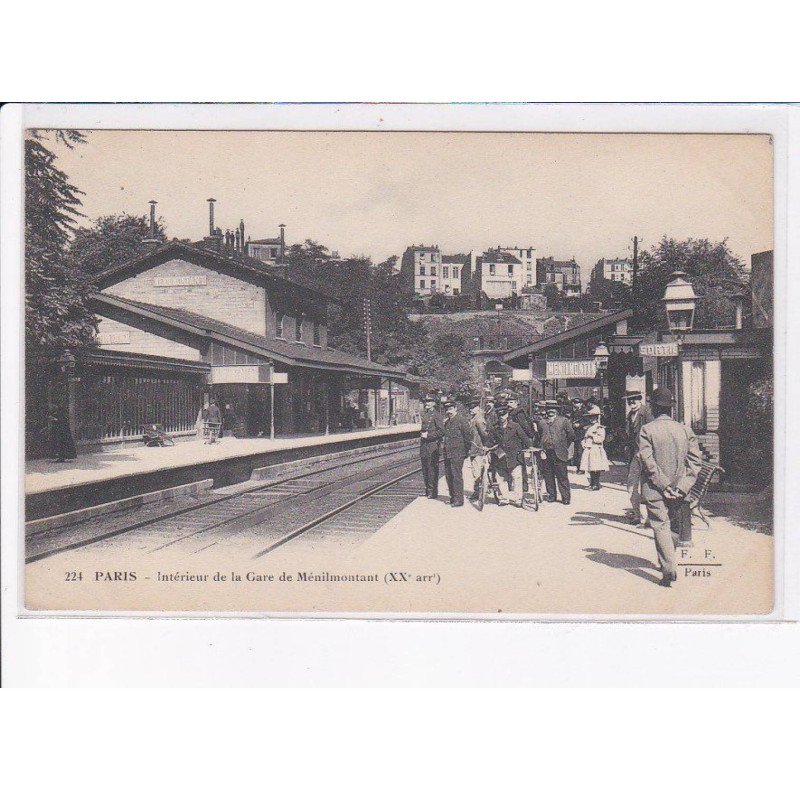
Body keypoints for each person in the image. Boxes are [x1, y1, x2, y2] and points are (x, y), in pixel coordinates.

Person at [638, 387, 703, 587]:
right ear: (670, 409)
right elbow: (695, 463)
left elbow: (648, 463)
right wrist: (681, 487)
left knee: (660, 525)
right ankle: (669, 560)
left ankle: (668, 569)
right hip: (680, 488)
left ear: (653, 408)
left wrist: (663, 485)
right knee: (673, 526)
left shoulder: (647, 430)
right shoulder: (685, 430)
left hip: (655, 488)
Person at [490, 404, 533, 507]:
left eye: (504, 415)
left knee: (516, 477)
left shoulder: (515, 426)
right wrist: (487, 447)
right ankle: (503, 498)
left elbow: (524, 438)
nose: (501, 417)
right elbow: (490, 440)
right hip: (500, 456)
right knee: (501, 478)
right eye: (499, 415)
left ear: (507, 415)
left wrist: (530, 447)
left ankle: (517, 499)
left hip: (514, 456)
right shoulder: (495, 428)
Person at [623, 390, 654, 525]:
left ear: (640, 400)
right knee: (632, 485)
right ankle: (637, 515)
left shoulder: (647, 413)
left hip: (646, 455)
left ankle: (648, 517)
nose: (631, 403)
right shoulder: (630, 414)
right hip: (634, 454)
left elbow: (653, 435)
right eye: (629, 401)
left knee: (648, 486)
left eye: (634, 400)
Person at [538, 400, 576, 504]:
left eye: (553, 408)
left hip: (560, 452)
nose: (550, 410)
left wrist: (563, 445)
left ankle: (565, 497)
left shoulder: (563, 421)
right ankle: (551, 496)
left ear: (557, 410)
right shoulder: (542, 422)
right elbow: (539, 436)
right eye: (548, 408)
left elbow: (571, 435)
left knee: (562, 476)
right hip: (546, 452)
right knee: (548, 475)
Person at [441, 399, 473, 507]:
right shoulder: (447, 422)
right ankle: (452, 497)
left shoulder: (461, 420)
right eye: (447, 409)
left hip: (458, 452)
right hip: (448, 452)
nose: (448, 411)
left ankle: (459, 500)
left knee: (456, 476)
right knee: (448, 475)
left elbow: (468, 437)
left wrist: (465, 451)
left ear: (455, 408)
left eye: (450, 409)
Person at [507, 393, 536, 493]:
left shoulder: (518, 414)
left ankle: (523, 486)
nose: (509, 404)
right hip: (513, 440)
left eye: (511, 402)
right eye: (508, 402)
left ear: (516, 403)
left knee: (520, 463)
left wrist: (528, 438)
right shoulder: (512, 412)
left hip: (519, 441)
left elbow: (525, 427)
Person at [419, 395, 445, 499]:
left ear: (434, 403)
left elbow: (441, 431)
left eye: (429, 402)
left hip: (433, 446)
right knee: (425, 469)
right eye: (426, 402)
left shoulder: (436, 415)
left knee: (432, 469)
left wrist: (429, 436)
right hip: (424, 446)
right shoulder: (426, 414)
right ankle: (428, 489)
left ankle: (432, 491)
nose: (427, 403)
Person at [466, 396, 491, 500]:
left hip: (478, 448)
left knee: (477, 471)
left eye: (472, 408)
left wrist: (486, 446)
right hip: (474, 448)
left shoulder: (479, 419)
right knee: (476, 471)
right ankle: (479, 491)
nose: (470, 410)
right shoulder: (475, 418)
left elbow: (485, 434)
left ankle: (480, 492)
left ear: (477, 408)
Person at [579, 406, 609, 490]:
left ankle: (596, 484)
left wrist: (592, 435)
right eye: (590, 417)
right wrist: (584, 442)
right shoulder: (588, 427)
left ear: (597, 417)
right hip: (589, 448)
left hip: (595, 448)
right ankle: (592, 483)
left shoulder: (599, 428)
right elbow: (585, 438)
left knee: (596, 467)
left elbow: (600, 439)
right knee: (590, 467)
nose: (592, 419)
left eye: (594, 417)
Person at [569, 397, 586, 473]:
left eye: (577, 403)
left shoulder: (584, 412)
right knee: (576, 451)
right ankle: (577, 466)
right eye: (574, 403)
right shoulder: (573, 412)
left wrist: (579, 425)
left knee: (580, 451)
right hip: (575, 434)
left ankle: (581, 469)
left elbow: (587, 422)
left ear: (581, 404)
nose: (575, 404)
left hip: (581, 433)